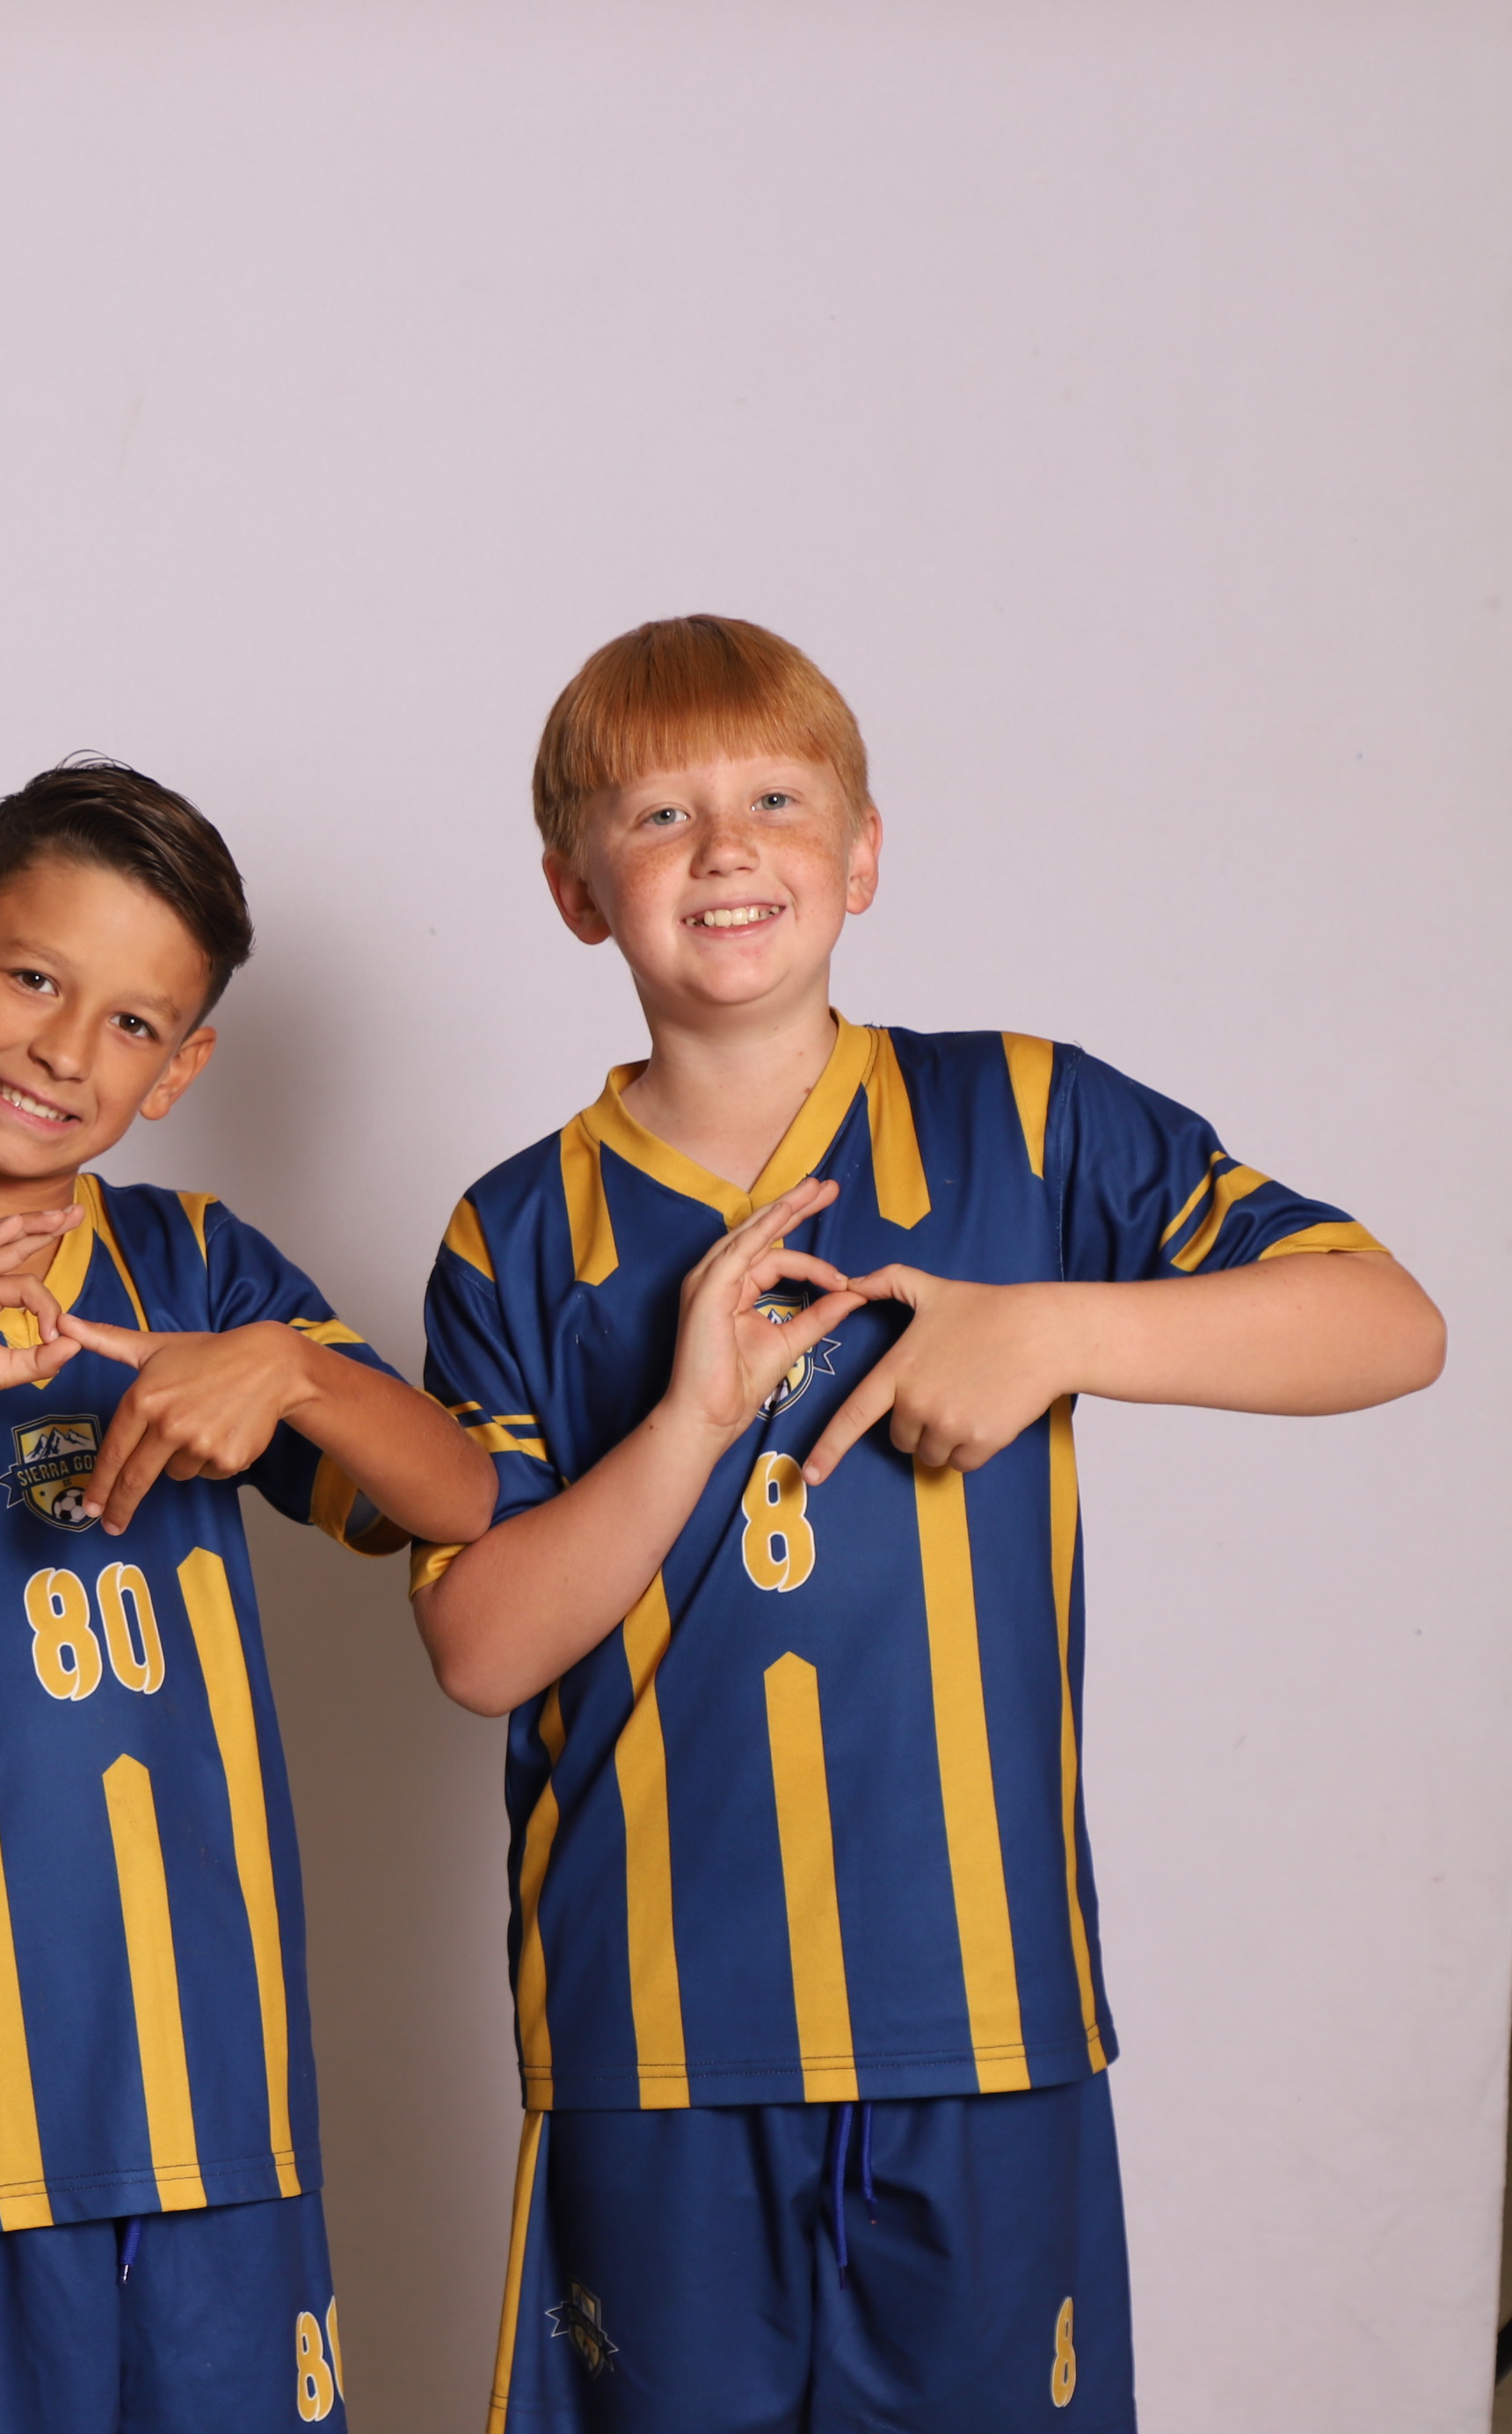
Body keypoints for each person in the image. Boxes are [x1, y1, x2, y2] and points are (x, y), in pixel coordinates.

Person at [412, 615, 1445, 2432]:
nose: (723, 849)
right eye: (656, 815)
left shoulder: (1025, 1120)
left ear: (864, 851)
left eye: (775, 799)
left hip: (983, 2019)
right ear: (576, 891)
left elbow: (1389, 1323)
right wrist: (685, 1422)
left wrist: (1053, 1331)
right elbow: (482, 1647)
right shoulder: (516, 1231)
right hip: (655, 2043)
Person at [0, 760, 496, 2434]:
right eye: (34, 977)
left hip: (220, 2116)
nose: (67, 1050)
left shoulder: (196, 1267)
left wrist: (290, 1369)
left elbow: (456, 1499)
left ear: (182, 1066)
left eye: (133, 1023)